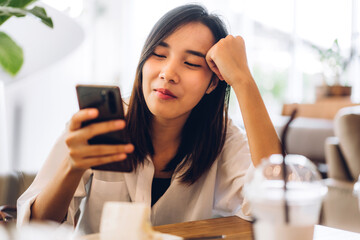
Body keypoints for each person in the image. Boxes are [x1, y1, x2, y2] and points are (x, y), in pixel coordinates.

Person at [17, 4, 281, 235]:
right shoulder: (102, 121)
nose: (168, 73)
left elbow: (277, 206)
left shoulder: (222, 136)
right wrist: (71, 167)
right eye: (159, 54)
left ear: (213, 82)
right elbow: (35, 228)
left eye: (190, 63)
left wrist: (243, 81)